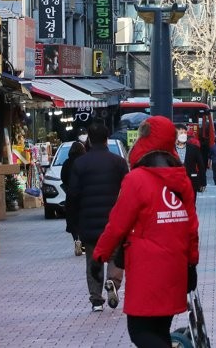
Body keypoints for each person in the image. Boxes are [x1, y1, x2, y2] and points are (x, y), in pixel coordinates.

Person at [94, 117, 199, 347]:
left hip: (146, 270)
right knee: (161, 329)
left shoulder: (136, 180)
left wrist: (99, 255)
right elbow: (192, 227)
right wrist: (192, 263)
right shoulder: (181, 180)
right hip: (175, 267)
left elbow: (117, 225)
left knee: (139, 330)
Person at [66, 123, 129, 312]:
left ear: (90, 141)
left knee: (94, 259)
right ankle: (113, 282)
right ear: (107, 139)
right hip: (114, 221)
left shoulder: (80, 163)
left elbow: (73, 195)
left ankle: (96, 300)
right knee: (115, 256)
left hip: (88, 220)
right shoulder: (118, 162)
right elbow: (128, 191)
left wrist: (73, 223)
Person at [61, 140, 86, 257]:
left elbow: (63, 178)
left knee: (73, 220)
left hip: (71, 195)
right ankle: (84, 244)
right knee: (83, 219)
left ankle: (76, 240)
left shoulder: (67, 163)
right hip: (84, 195)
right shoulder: (85, 162)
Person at [176, 123, 207, 197]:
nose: (183, 135)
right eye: (181, 133)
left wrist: (203, 182)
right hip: (175, 183)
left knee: (192, 204)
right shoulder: (170, 149)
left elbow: (201, 165)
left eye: (185, 132)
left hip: (192, 181)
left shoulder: (194, 148)